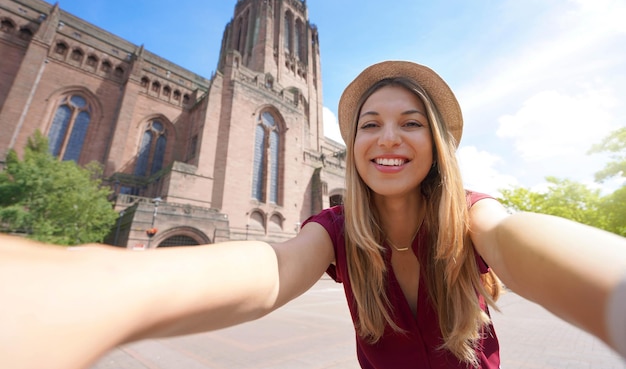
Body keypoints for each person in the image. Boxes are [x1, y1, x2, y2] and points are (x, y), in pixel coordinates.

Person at [1, 61, 625, 369]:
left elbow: (533, 246)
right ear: (349, 145)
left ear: (436, 145)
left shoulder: (475, 218)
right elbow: (271, 266)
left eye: (411, 124)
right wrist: (87, 290)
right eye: (369, 125)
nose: (388, 139)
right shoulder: (333, 233)